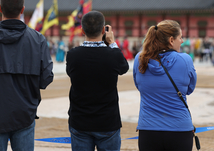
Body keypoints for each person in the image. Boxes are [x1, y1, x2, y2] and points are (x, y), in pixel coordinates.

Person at [0, 0, 54, 150]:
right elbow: (46, 79)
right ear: (22, 10)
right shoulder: (38, 39)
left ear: (0, 8)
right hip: (24, 113)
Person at [66, 11, 129, 151]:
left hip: (80, 120)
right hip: (107, 121)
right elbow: (124, 67)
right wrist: (112, 43)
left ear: (82, 30)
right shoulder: (113, 55)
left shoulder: (73, 55)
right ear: (103, 30)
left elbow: (70, 73)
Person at [133, 20, 197, 151]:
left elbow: (139, 85)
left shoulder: (139, 58)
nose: (183, 41)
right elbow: (190, 89)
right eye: (181, 37)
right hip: (179, 129)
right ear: (171, 40)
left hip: (148, 129)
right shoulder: (185, 60)